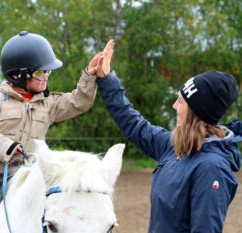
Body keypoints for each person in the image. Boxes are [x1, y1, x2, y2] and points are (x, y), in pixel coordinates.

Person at [0, 32, 114, 233]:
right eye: (40, 73)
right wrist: (6, 146)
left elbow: (78, 101)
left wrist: (89, 75)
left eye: (48, 72)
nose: (46, 76)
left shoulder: (48, 104)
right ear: (18, 75)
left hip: (26, 169)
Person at [95, 40, 241, 232]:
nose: (174, 106)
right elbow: (134, 124)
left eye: (180, 101)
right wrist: (107, 80)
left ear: (196, 112)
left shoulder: (211, 168)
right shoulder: (174, 145)